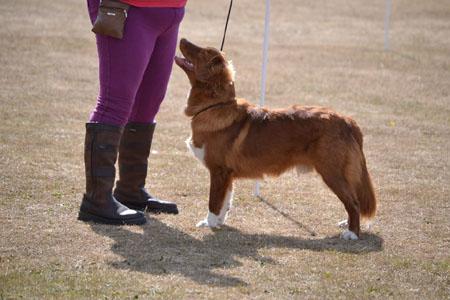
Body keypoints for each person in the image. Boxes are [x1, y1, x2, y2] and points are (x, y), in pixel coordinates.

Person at [78, 0, 187, 225]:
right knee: (115, 102)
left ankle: (130, 190)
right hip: (127, 7)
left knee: (148, 102)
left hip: (170, 12)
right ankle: (97, 201)